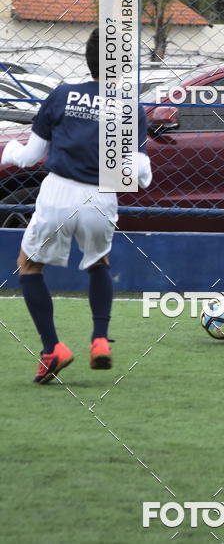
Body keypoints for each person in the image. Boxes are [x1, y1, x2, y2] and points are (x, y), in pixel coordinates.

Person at [1, 28, 152, 384]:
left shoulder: (62, 95)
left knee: (28, 266)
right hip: (100, 198)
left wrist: (9, 151)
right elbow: (141, 170)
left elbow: (31, 157)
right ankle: (100, 339)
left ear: (88, 59)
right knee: (99, 262)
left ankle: (52, 348)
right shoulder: (130, 106)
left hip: (58, 192)